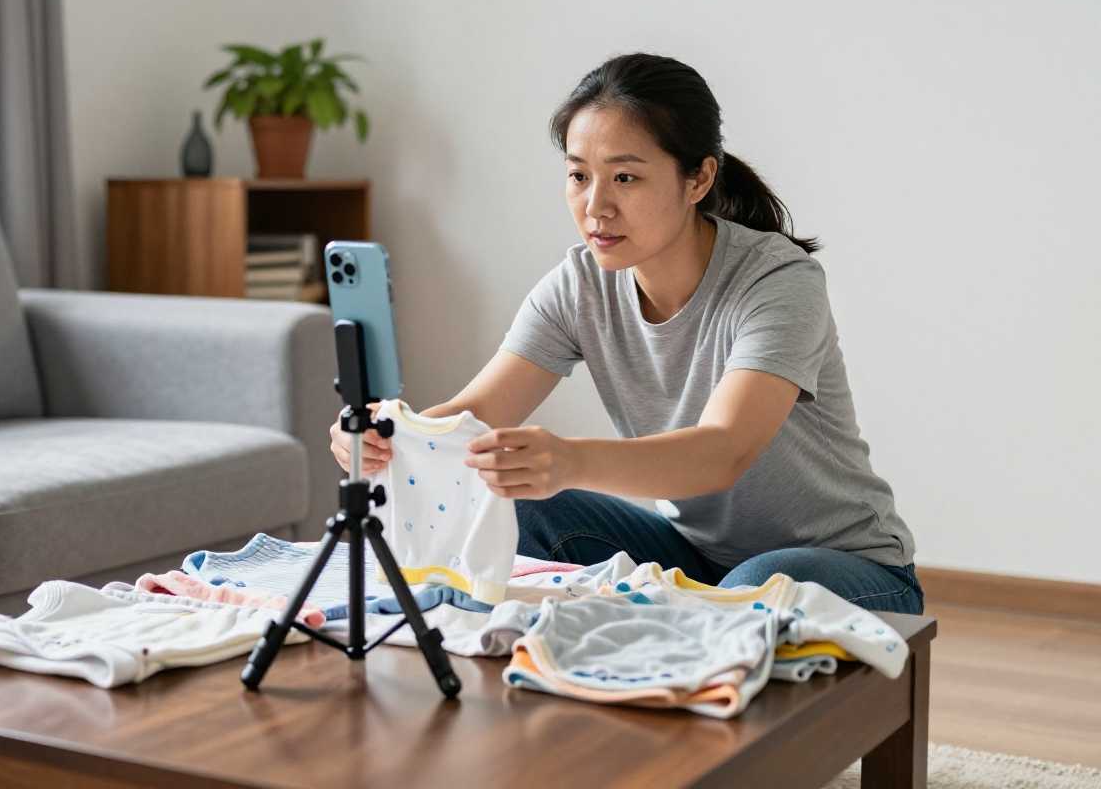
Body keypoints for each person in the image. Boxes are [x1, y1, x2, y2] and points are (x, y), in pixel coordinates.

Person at [329, 53, 921, 615]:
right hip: (696, 557)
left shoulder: (779, 281)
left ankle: (675, 626)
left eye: (626, 178)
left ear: (698, 179)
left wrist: (568, 459)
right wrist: (394, 438)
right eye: (579, 176)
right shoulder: (579, 286)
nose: (596, 207)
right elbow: (471, 417)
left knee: (743, 595)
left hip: (849, 565)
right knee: (523, 504)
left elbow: (724, 451)